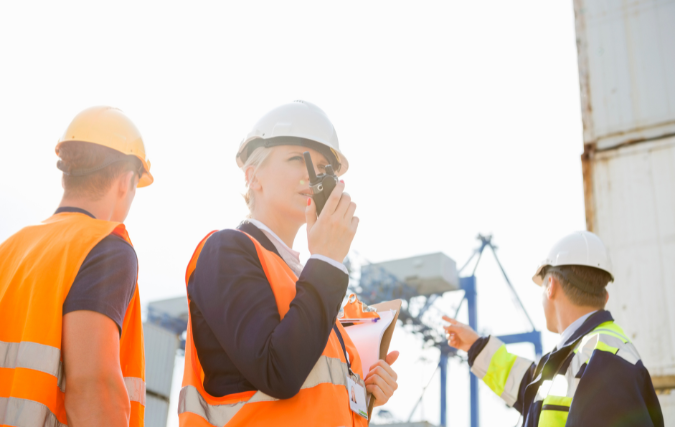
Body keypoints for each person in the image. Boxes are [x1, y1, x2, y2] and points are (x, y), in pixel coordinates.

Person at [178, 100, 399, 426]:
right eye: (298, 158)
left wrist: (364, 396)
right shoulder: (225, 251)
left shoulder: (308, 284)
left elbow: (310, 402)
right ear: (253, 178)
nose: (313, 174)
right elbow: (278, 371)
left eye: (325, 168)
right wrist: (326, 260)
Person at [0, 106, 153, 427]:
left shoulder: (11, 248)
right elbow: (93, 389)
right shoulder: (105, 246)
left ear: (67, 171)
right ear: (126, 182)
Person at [443, 231, 664, 427]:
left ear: (551, 286)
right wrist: (475, 345)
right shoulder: (582, 355)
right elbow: (530, 388)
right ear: (604, 297)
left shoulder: (604, 360)